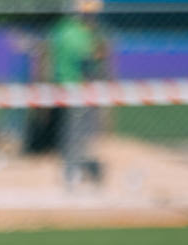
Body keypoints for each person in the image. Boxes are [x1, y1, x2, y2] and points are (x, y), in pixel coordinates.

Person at [48, 0, 109, 187]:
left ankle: (70, 169)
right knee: (77, 133)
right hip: (77, 87)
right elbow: (89, 59)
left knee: (69, 131)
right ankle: (73, 172)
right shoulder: (80, 33)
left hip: (61, 84)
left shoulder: (61, 28)